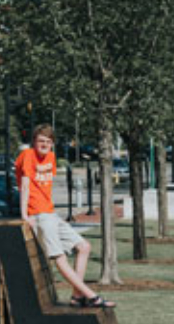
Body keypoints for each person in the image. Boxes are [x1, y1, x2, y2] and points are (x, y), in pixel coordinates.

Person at [16, 124, 115, 308]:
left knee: (84, 247)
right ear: (34, 142)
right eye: (40, 141)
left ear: (52, 143)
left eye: (48, 141)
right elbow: (25, 186)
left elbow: (46, 188)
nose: (44, 145)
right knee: (59, 257)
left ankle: (77, 297)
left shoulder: (51, 158)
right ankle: (91, 296)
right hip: (37, 215)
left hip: (50, 213)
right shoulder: (27, 156)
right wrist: (25, 215)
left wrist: (52, 214)